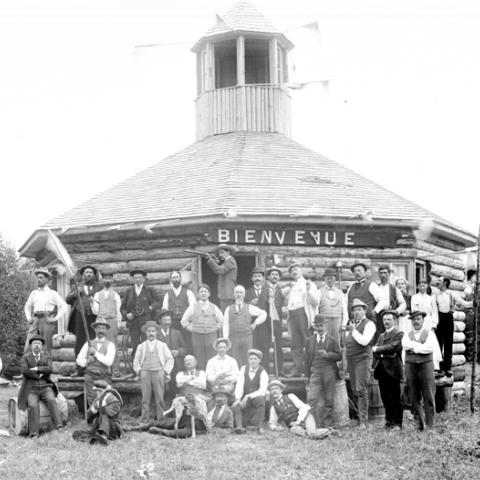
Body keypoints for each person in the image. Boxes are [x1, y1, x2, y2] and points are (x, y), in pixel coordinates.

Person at [17, 334, 63, 437]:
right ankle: (34, 433)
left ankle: (59, 426)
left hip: (45, 386)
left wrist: (37, 369)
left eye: (39, 343)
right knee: (33, 406)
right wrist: (40, 375)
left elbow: (50, 369)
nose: (37, 345)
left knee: (52, 400)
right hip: (31, 388)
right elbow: (25, 371)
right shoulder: (25, 357)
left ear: (42, 346)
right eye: (34, 343)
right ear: (31, 346)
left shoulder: (47, 356)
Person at [133, 320, 174, 423]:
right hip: (145, 372)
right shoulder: (141, 346)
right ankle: (145, 419)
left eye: (153, 331)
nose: (151, 333)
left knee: (160, 397)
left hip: (159, 372)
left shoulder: (162, 345)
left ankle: (160, 418)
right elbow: (136, 361)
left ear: (156, 332)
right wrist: (139, 370)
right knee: (145, 398)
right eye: (149, 331)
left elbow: (170, 359)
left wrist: (165, 371)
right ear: (145, 333)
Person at [304, 315, 342, 428]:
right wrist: (307, 374)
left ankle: (327, 425)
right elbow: (306, 359)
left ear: (325, 325)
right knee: (312, 399)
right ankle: (311, 424)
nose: (319, 328)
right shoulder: (309, 341)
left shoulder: (332, 340)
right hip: (315, 371)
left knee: (329, 400)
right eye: (317, 326)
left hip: (329, 371)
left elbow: (339, 356)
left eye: (321, 325)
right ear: (314, 326)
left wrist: (328, 355)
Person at [402, 311, 437, 431]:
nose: (416, 321)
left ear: (423, 321)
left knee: (428, 395)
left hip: (425, 366)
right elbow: (405, 345)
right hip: (411, 366)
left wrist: (414, 347)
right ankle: (420, 424)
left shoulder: (430, 334)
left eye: (418, 319)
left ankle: (430, 425)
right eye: (414, 319)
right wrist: (419, 347)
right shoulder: (407, 334)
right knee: (414, 396)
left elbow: (429, 348)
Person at [345, 298, 376, 428]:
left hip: (363, 359)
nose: (357, 312)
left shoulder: (369, 324)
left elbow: (364, 341)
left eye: (359, 309)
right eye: (354, 310)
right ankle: (356, 418)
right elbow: (347, 342)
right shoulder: (352, 324)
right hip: (351, 360)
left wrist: (353, 330)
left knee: (361, 389)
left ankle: (363, 421)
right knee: (354, 389)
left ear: (364, 311)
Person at [66, 265, 101, 376]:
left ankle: (94, 368)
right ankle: (80, 369)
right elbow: (67, 299)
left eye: (91, 272)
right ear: (83, 274)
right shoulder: (77, 286)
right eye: (86, 272)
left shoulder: (99, 287)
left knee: (94, 342)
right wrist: (77, 293)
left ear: (94, 274)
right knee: (80, 342)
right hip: (79, 316)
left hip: (93, 317)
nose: (89, 274)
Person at [372, 310, 404, 430]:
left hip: (393, 369)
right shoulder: (381, 336)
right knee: (385, 397)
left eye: (389, 319)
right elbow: (377, 353)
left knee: (395, 397)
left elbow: (393, 347)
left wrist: (378, 350)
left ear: (394, 321)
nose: (386, 322)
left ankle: (397, 423)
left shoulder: (399, 333)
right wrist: (383, 353)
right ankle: (389, 421)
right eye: (385, 319)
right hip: (381, 370)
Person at [286, 264, 320, 376]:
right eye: (292, 271)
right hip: (293, 314)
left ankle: (310, 369)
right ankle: (297, 370)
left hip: (303, 314)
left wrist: (309, 290)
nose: (294, 272)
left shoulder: (308, 284)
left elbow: (316, 302)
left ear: (301, 270)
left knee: (308, 342)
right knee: (296, 344)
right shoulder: (292, 286)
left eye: (296, 269)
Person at [24, 268, 68, 354]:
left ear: (47, 279)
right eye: (38, 278)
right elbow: (27, 306)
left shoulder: (52, 293)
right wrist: (29, 318)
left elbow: (63, 306)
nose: (38, 280)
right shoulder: (34, 293)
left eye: (41, 278)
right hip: (35, 320)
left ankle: (47, 366)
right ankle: (29, 366)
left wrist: (55, 318)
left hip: (46, 321)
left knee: (46, 348)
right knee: (28, 347)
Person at [121, 269, 159, 366]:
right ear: (133, 279)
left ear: (143, 279)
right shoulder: (129, 291)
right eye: (135, 278)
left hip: (146, 323)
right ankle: (136, 369)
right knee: (135, 346)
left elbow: (158, 302)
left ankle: (147, 367)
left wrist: (152, 307)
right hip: (133, 323)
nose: (137, 279)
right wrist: (126, 314)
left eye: (139, 277)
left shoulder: (149, 290)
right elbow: (122, 308)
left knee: (147, 345)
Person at [223, 285, 267, 368]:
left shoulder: (249, 307)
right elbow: (225, 324)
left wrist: (255, 323)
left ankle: (247, 375)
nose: (238, 294)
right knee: (234, 357)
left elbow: (263, 313)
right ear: (234, 294)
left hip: (246, 336)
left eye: (241, 292)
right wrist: (226, 338)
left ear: (244, 294)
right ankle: (236, 376)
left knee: (248, 356)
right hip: (233, 337)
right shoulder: (228, 309)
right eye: (236, 292)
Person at [181, 284, 223, 369]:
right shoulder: (192, 307)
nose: (203, 293)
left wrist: (216, 327)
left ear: (209, 294)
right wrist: (190, 328)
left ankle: (211, 378)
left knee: (212, 356)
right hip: (197, 336)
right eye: (201, 292)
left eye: (205, 292)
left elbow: (222, 320)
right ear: (198, 294)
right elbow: (183, 321)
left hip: (211, 335)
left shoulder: (214, 307)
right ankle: (202, 378)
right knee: (199, 356)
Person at [76, 318, 116, 406]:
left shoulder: (110, 345)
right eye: (98, 328)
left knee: (105, 398)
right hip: (90, 376)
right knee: (92, 398)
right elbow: (79, 360)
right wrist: (87, 361)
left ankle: (103, 417)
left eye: (103, 328)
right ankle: (93, 417)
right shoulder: (88, 344)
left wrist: (96, 353)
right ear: (95, 329)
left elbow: (109, 362)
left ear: (106, 330)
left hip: (104, 376)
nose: (101, 330)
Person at [91, 273, 122, 377]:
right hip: (100, 321)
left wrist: (118, 323)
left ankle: (116, 370)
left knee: (113, 345)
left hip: (112, 321)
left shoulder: (116, 295)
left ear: (112, 280)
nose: (107, 280)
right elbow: (95, 311)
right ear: (102, 280)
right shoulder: (97, 295)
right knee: (100, 344)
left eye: (109, 278)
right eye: (105, 278)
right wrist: (92, 303)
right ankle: (102, 370)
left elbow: (118, 311)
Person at [73, 380, 123, 445]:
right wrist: (94, 408)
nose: (97, 393)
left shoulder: (115, 401)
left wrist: (102, 405)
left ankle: (103, 436)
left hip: (112, 429)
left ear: (106, 391)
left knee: (104, 415)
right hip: (98, 428)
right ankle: (96, 440)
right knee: (76, 433)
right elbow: (88, 417)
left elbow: (109, 414)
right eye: (97, 391)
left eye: (99, 391)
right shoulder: (97, 399)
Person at [232, 349, 268, 434]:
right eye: (251, 359)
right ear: (248, 360)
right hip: (245, 398)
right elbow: (239, 385)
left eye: (255, 359)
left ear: (259, 360)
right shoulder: (243, 369)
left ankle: (260, 426)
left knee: (261, 401)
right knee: (236, 405)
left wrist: (249, 396)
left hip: (256, 397)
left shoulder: (263, 372)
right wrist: (238, 398)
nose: (253, 361)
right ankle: (239, 427)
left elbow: (262, 391)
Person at [410, 278, 442, 370]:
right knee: (419, 339)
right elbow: (413, 310)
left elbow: (434, 312)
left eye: (424, 283)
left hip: (428, 321)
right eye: (420, 283)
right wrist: (417, 321)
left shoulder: (431, 298)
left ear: (427, 286)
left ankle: (433, 365)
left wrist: (434, 325)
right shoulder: (414, 297)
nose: (422, 285)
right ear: (417, 286)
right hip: (419, 321)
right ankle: (419, 362)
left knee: (430, 340)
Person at [162, 270, 196, 353]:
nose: (176, 279)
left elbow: (193, 308)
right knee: (174, 342)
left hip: (185, 323)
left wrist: (189, 321)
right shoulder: (168, 294)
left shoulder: (188, 292)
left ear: (180, 279)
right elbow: (164, 309)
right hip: (173, 323)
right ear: (171, 280)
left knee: (187, 342)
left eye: (177, 277)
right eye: (174, 278)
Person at [156, 309, 186, 403]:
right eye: (165, 320)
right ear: (160, 321)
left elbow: (184, 348)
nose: (167, 323)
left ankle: (175, 407)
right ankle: (162, 407)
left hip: (175, 365)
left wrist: (178, 352)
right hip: (160, 365)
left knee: (175, 388)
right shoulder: (155, 334)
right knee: (161, 388)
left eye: (169, 320)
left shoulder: (176, 333)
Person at [245, 267, 271, 370]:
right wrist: (250, 303)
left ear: (263, 278)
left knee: (265, 347)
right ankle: (254, 370)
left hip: (265, 325)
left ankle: (265, 371)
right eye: (255, 276)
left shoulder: (268, 291)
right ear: (252, 279)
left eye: (259, 276)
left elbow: (272, 308)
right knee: (254, 347)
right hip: (252, 324)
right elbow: (243, 307)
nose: (257, 278)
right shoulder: (247, 292)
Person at [346, 262, 384, 327]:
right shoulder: (350, 287)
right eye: (355, 271)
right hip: (353, 322)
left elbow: (383, 300)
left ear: (365, 272)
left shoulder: (371, 285)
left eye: (359, 270)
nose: (357, 273)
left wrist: (375, 311)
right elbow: (346, 302)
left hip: (368, 321)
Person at [266, 266, 287, 375]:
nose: (274, 276)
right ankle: (265, 370)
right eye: (272, 274)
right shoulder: (264, 289)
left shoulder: (282, 290)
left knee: (278, 346)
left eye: (276, 275)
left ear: (279, 278)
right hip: (266, 321)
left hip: (277, 320)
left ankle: (279, 370)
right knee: (265, 345)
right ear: (268, 277)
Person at [375, 265, 406, 336]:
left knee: (391, 336)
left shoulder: (394, 289)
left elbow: (403, 303)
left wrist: (397, 311)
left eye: (385, 273)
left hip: (390, 314)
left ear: (389, 274)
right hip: (378, 317)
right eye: (381, 273)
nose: (383, 275)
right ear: (379, 275)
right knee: (379, 336)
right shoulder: (375, 288)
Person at [318, 268, 348, 341]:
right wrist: (318, 322)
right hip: (324, 320)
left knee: (337, 341)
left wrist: (344, 323)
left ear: (335, 279)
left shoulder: (340, 292)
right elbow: (316, 308)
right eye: (327, 278)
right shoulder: (319, 291)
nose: (329, 280)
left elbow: (344, 308)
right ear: (324, 280)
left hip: (337, 320)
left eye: (331, 278)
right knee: (325, 340)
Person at [205, 244, 238, 311]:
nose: (220, 254)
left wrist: (211, 260)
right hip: (225, 293)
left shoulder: (230, 261)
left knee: (226, 313)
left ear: (228, 252)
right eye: (219, 253)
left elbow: (219, 270)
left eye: (222, 252)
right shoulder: (227, 262)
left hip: (228, 293)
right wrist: (215, 261)